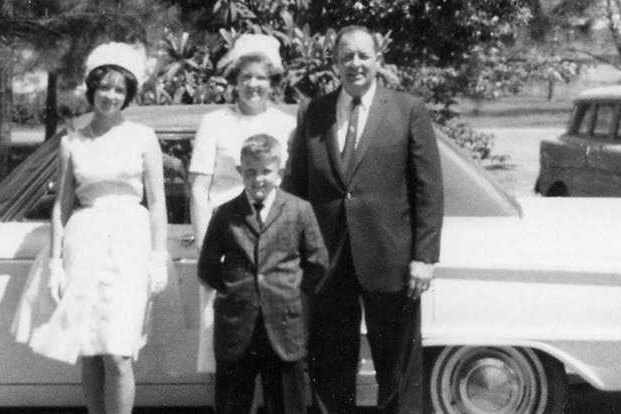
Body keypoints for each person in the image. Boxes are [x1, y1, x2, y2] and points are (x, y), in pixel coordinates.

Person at [283, 25, 444, 414]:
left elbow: (429, 189)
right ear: (335, 62)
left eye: (362, 55)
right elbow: (296, 188)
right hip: (327, 262)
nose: (354, 64)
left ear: (377, 60)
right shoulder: (314, 112)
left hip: (392, 260)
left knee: (398, 369)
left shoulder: (408, 110)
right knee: (330, 366)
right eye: (346, 56)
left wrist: (424, 256)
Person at [12, 42, 168, 414]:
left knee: (117, 353)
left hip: (129, 244)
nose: (110, 95)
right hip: (84, 245)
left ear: (127, 94)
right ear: (92, 89)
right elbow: (62, 206)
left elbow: (157, 201)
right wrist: (55, 262)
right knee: (90, 350)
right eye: (104, 87)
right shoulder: (72, 141)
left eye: (119, 89)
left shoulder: (143, 137)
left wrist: (159, 256)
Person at [198, 133, 329, 414]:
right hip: (236, 326)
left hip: (284, 325)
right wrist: (237, 286)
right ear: (239, 172)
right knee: (232, 404)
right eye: (250, 171)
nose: (258, 179)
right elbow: (207, 267)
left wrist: (289, 291)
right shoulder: (225, 214)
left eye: (266, 171)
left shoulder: (299, 210)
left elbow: (317, 264)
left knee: (286, 405)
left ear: (279, 172)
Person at [189, 34, 296, 372]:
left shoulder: (286, 124)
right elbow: (198, 188)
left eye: (261, 77)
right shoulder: (214, 122)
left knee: (271, 341)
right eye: (245, 76)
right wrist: (208, 249)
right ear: (234, 80)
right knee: (226, 344)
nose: (253, 84)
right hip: (227, 237)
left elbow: (291, 189)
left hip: (272, 240)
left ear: (272, 82)